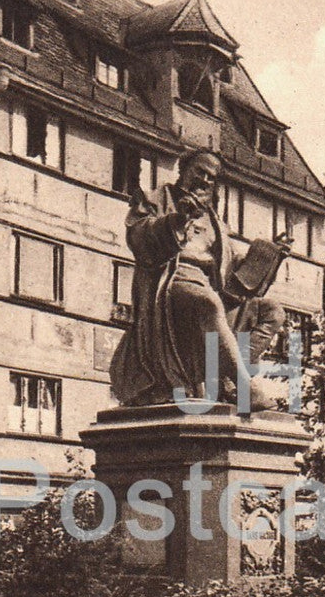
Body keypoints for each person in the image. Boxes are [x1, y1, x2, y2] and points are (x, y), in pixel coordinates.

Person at [109, 149, 292, 411]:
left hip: (211, 284)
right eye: (200, 172)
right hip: (171, 281)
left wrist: (270, 256)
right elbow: (139, 237)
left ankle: (224, 379)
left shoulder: (215, 220)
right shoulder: (156, 200)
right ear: (183, 170)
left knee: (272, 312)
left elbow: (232, 269)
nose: (205, 180)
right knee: (207, 302)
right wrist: (178, 219)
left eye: (212, 177)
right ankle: (243, 387)